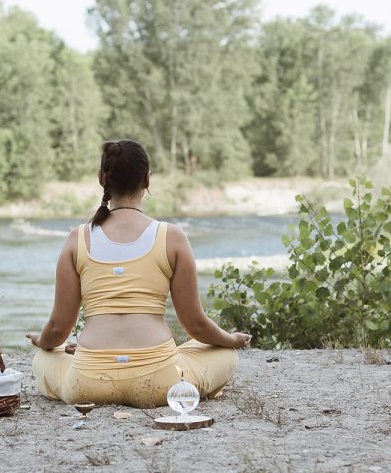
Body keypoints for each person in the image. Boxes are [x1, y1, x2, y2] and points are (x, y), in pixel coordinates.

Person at [28, 139, 251, 408]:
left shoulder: (78, 239)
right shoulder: (172, 237)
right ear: (147, 179)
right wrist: (232, 340)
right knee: (225, 354)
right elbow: (196, 325)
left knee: (44, 358)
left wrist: (42, 341)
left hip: (87, 383)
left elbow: (58, 328)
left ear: (102, 179)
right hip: (161, 381)